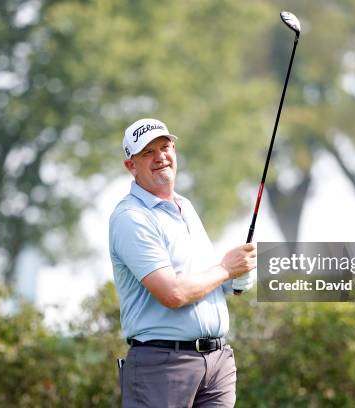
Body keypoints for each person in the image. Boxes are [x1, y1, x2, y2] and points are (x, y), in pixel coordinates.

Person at [109, 118, 257, 407]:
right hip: (161, 366)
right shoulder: (131, 217)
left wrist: (237, 277)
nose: (159, 157)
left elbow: (207, 281)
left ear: (174, 150)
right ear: (131, 165)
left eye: (164, 147)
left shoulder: (184, 206)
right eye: (147, 152)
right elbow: (173, 293)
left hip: (217, 363)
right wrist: (226, 268)